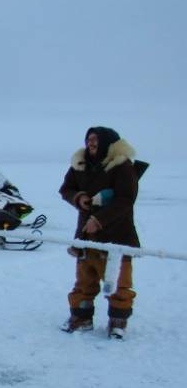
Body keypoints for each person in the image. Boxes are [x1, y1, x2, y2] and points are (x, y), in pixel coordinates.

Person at [59, 127, 139, 339]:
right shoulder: (80, 164)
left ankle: (117, 322)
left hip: (117, 236)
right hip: (86, 236)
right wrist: (79, 197)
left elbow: (125, 198)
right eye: (88, 139)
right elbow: (66, 189)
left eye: (95, 140)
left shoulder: (122, 166)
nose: (91, 143)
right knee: (84, 282)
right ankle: (81, 318)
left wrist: (99, 220)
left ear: (108, 143)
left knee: (120, 284)